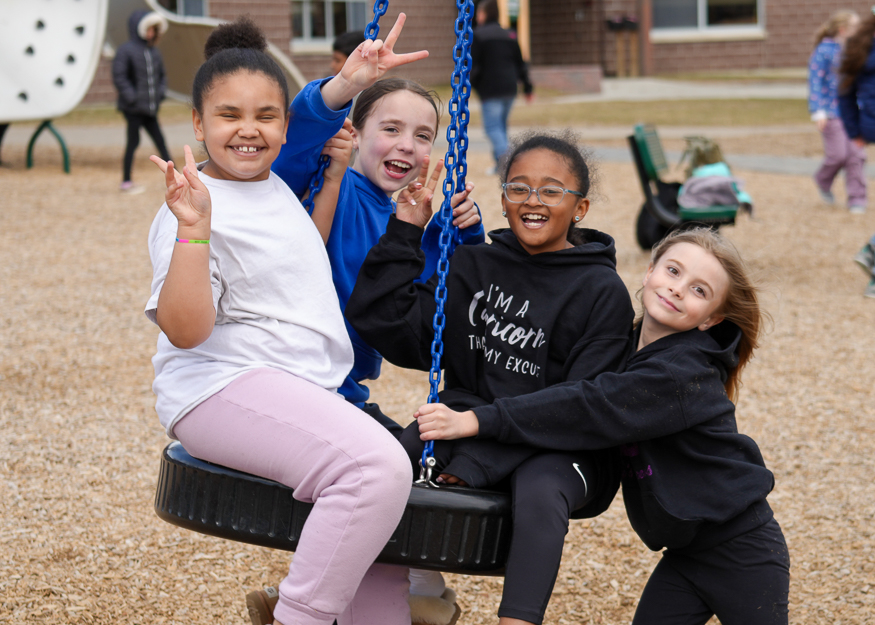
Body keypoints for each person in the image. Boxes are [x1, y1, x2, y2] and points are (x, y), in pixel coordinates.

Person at [146, 15, 429, 625]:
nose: (248, 130)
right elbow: (186, 331)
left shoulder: (277, 185)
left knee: (382, 543)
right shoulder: (194, 206)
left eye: (266, 117)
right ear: (198, 123)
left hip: (299, 388)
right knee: (376, 466)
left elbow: (310, 150)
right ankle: (296, 617)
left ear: (284, 128)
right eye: (228, 116)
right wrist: (193, 232)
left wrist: (348, 84)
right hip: (223, 387)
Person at [415, 228, 790, 625]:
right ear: (648, 272)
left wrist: (477, 420)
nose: (679, 289)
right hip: (686, 556)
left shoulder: (680, 373)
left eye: (699, 291)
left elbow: (588, 404)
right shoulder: (621, 346)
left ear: (711, 318)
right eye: (673, 271)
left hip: (743, 551)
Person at [345, 131, 635, 625]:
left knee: (542, 485)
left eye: (551, 190)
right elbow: (391, 327)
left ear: (580, 207)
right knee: (384, 465)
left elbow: (580, 408)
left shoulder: (601, 291)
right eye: (518, 188)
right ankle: (346, 602)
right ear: (502, 199)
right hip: (468, 424)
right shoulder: (474, 265)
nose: (532, 201)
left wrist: (479, 447)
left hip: (566, 447)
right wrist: (406, 231)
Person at [271, 56, 484, 436]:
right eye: (391, 129)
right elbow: (296, 138)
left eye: (422, 136)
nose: (406, 146)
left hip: (348, 392)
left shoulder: (405, 222)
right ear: (354, 134)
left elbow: (428, 299)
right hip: (301, 383)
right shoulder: (327, 183)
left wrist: (462, 230)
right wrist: (343, 87)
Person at [809, 10, 864, 211]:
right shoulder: (823, 51)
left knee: (856, 155)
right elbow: (815, 81)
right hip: (831, 113)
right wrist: (818, 111)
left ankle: (857, 198)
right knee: (838, 154)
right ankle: (823, 179)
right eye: (856, 27)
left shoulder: (856, 51)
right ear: (843, 30)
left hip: (854, 112)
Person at [113, 10, 173, 194]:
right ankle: (126, 181)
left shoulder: (153, 52)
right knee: (133, 142)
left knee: (161, 142)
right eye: (148, 29)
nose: (150, 33)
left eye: (153, 30)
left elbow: (162, 76)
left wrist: (160, 93)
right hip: (133, 109)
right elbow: (119, 76)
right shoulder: (126, 50)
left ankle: (177, 177)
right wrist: (132, 98)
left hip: (150, 109)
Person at [471, 0, 533, 174]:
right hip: (509, 87)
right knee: (501, 127)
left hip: (490, 89)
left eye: (479, 13)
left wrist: (474, 86)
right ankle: (501, 165)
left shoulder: (478, 35)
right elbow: (521, 64)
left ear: (484, 14)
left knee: (493, 128)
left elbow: (473, 66)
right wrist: (528, 88)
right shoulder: (510, 34)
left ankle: (508, 165)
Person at [838, 8, 875, 215]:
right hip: (869, 121)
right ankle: (857, 197)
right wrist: (854, 131)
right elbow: (845, 93)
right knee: (854, 159)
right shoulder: (860, 48)